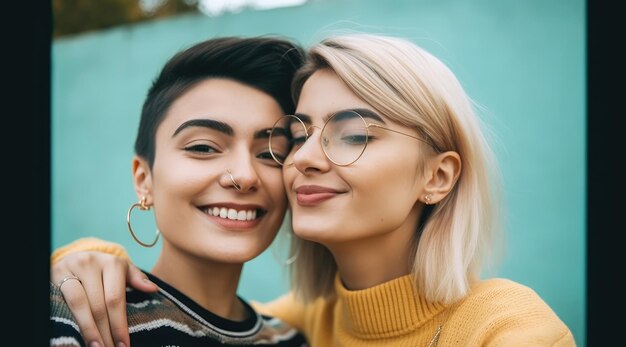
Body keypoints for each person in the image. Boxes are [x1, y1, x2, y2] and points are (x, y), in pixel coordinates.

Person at [52, 33, 576, 346]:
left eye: (353, 134)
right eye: (298, 136)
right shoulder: (303, 326)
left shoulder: (506, 326)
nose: (302, 158)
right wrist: (84, 263)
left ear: (436, 176)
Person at [50, 36, 309, 347]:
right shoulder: (79, 314)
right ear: (144, 179)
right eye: (203, 147)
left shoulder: (290, 339)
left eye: (270, 153)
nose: (244, 176)